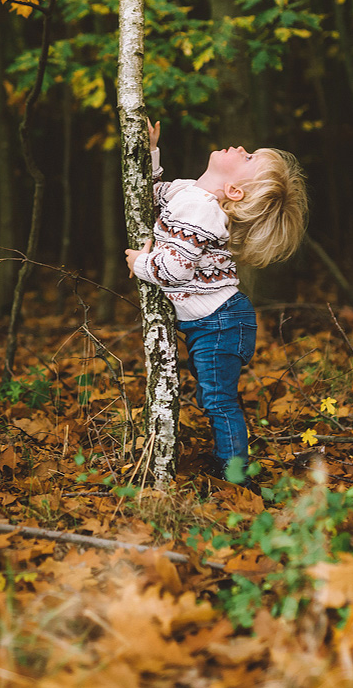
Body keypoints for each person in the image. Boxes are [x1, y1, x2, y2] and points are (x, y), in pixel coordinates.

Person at [125, 121, 307, 489]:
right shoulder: (192, 194)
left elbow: (174, 270)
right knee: (214, 397)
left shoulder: (203, 210)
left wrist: (139, 264)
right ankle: (230, 462)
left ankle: (236, 476)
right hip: (217, 320)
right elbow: (152, 194)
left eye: (249, 157)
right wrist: (151, 151)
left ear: (234, 190)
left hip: (220, 322)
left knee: (218, 400)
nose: (241, 148)